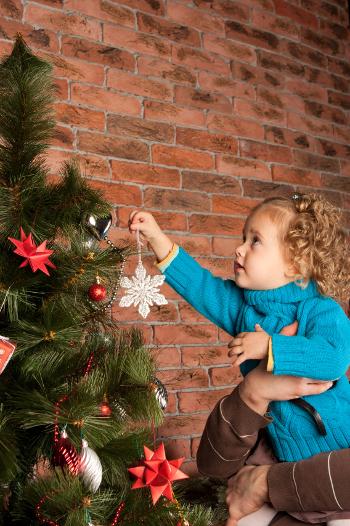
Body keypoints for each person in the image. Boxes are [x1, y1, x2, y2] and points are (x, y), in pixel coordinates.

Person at [128, 193, 350, 524]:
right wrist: (158, 239)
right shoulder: (244, 309)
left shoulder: (321, 309)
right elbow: (202, 287)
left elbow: (332, 358)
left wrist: (271, 346)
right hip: (281, 457)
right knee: (241, 517)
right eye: (243, 238)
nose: (240, 248)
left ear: (295, 265)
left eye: (255, 241)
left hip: (334, 455)